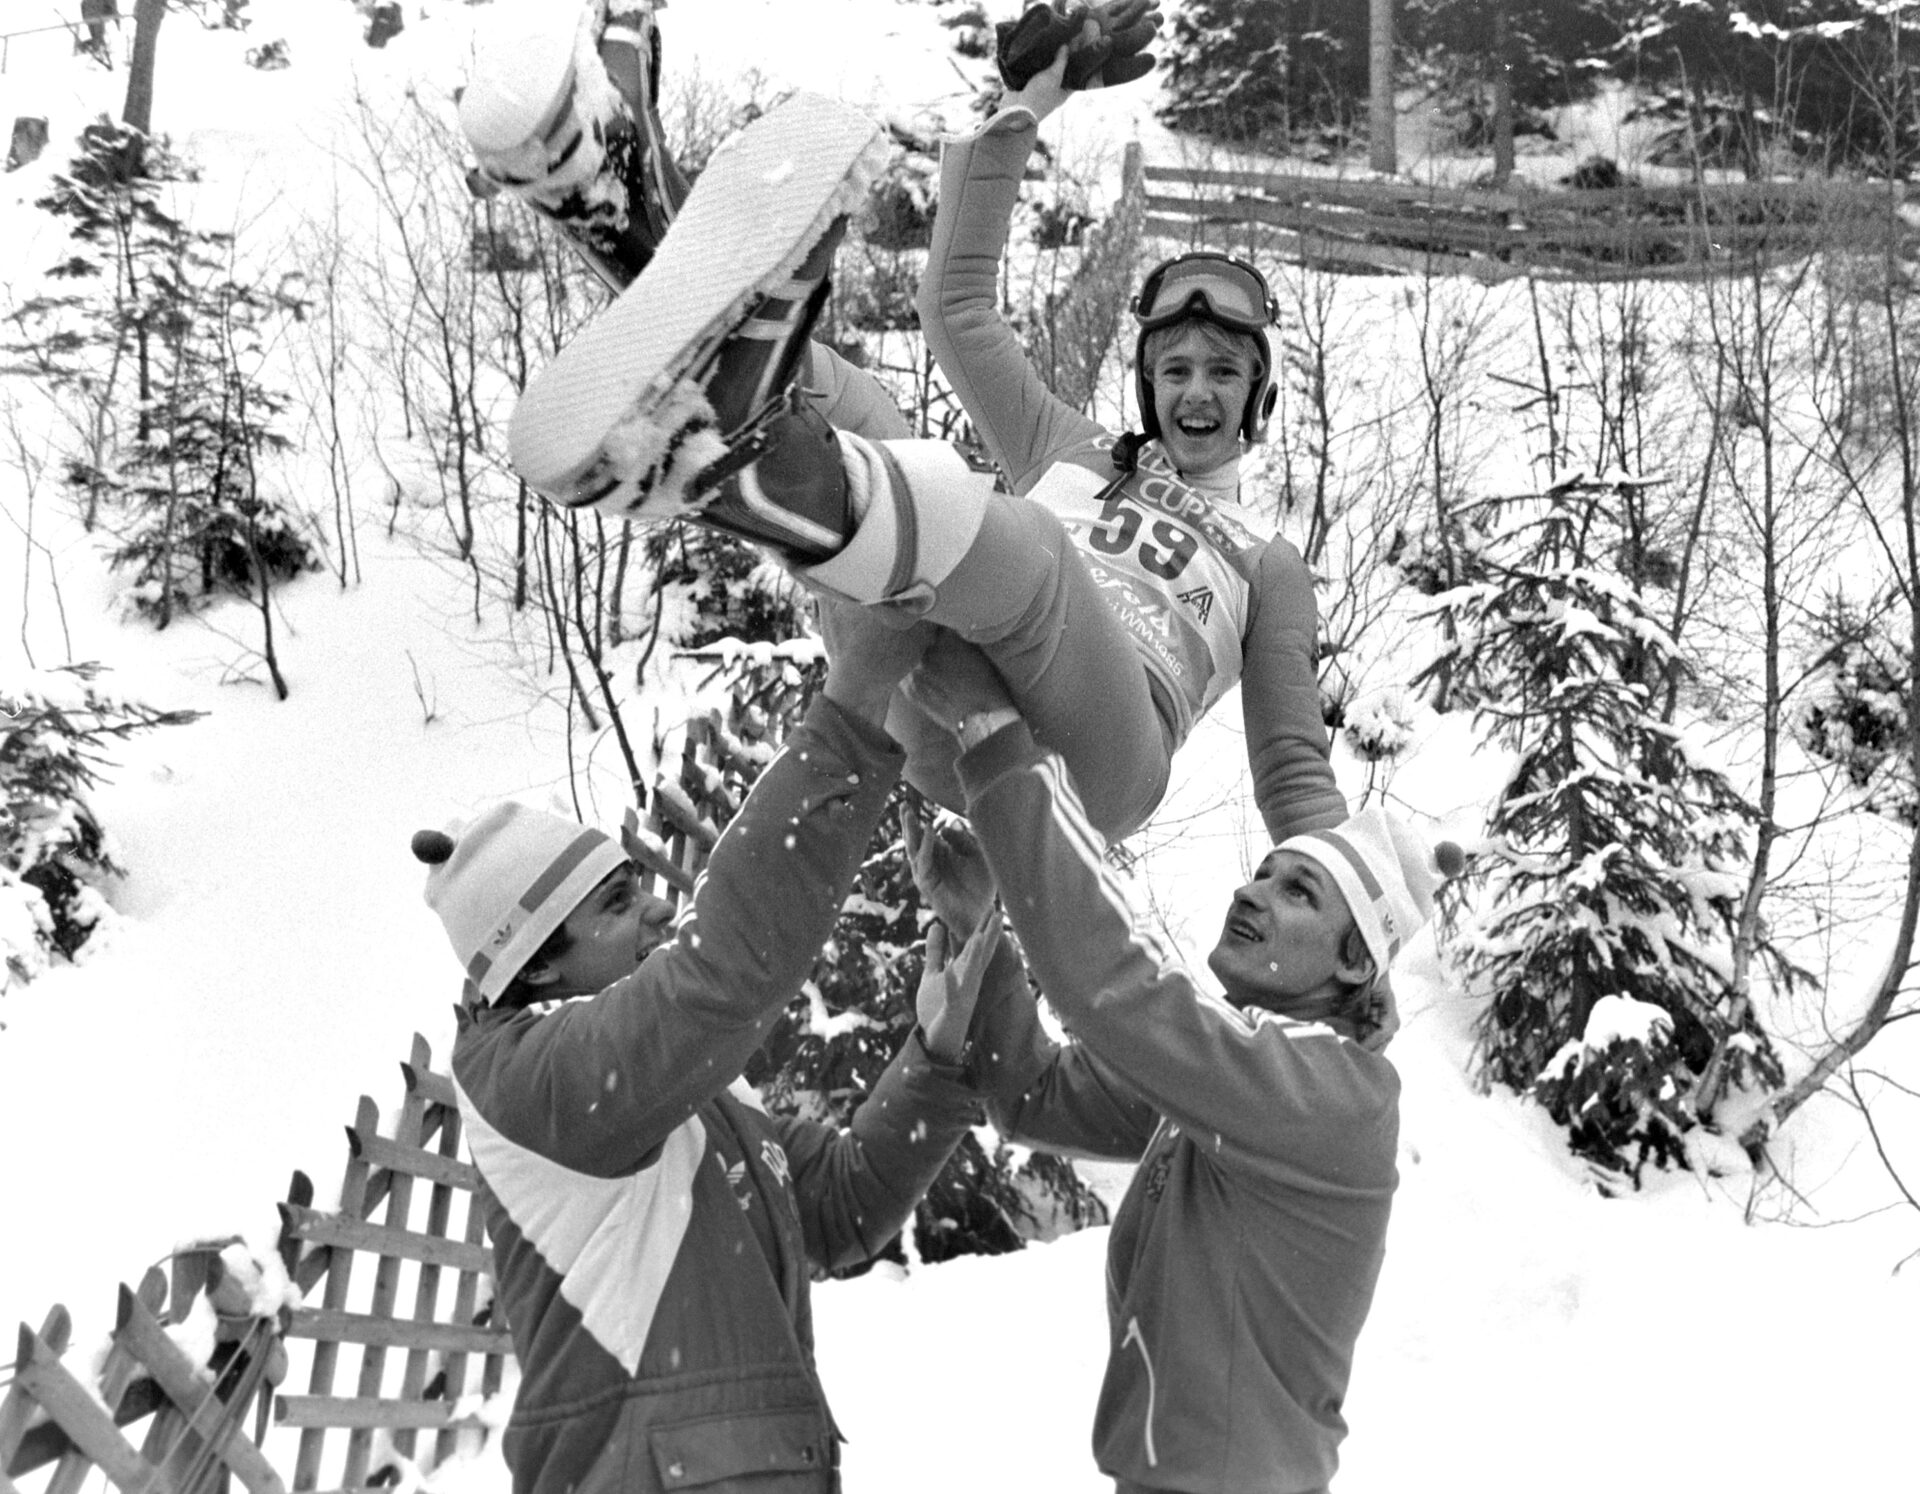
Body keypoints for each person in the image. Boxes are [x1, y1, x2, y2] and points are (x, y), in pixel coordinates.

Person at [495, 5, 1347, 849]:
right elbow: (958, 310)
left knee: (1023, 543)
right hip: (939, 697)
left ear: (1259, 395)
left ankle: (756, 449)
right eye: (1177, 371)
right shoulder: (1077, 448)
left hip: (1097, 764)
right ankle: (643, 243)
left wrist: (1345, 915)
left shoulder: (1269, 562)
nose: (1197, 394)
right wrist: (1023, 110)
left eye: (1225, 373)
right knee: (860, 409)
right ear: (1149, 385)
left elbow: (1293, 767)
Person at [410, 605, 992, 1494]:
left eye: (635, 884)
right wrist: (855, 699)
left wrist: (940, 1054)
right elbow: (723, 971)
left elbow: (834, 1209)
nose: (652, 905)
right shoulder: (530, 1083)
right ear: (533, 969)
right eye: (611, 905)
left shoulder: (685, 1091)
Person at [899, 636, 1462, 1494]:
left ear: (1354, 962)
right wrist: (985, 921)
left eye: (1296, 892)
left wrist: (997, 741)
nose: (1251, 893)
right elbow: (1033, 1096)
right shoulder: (1229, 1090)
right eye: (1264, 875)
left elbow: (1117, 990)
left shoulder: (1332, 1098)